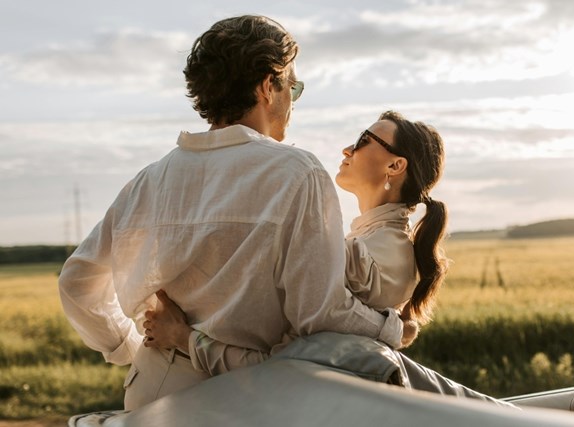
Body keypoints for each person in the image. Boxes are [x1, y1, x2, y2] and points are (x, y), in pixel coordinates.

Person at [57, 15, 410, 411]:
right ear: (267, 86)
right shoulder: (299, 173)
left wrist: (127, 346)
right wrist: (390, 327)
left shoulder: (151, 179)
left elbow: (76, 282)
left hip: (151, 392)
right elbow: (318, 313)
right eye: (292, 86)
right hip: (248, 397)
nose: (292, 100)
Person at [143, 112, 519, 409]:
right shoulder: (368, 246)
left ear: (395, 166)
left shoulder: (380, 262)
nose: (346, 150)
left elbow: (285, 366)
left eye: (362, 141)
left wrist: (186, 338)